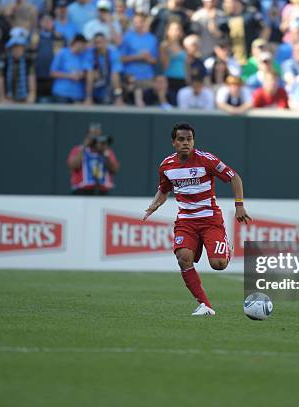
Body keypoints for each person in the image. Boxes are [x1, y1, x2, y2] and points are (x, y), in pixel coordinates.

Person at [143, 122, 251, 316]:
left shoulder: (206, 160)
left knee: (218, 264)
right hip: (186, 221)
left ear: (194, 141)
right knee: (183, 258)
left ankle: (226, 248)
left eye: (189, 139)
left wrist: (239, 205)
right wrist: (155, 204)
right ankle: (205, 305)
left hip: (210, 220)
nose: (186, 143)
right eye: (181, 139)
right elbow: (164, 189)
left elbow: (234, 177)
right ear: (173, 142)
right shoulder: (166, 165)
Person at [67, 124, 120, 195]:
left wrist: (104, 153)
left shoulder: (106, 152)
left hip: (102, 192)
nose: (96, 138)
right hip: (81, 192)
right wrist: (84, 147)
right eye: (93, 134)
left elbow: (114, 170)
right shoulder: (78, 150)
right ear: (87, 136)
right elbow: (73, 165)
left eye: (99, 135)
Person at [119, 12, 158, 88]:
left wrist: (147, 58)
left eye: (140, 22)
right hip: (130, 76)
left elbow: (155, 60)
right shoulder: (126, 37)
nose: (138, 25)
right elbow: (121, 58)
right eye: (135, 22)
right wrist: (138, 57)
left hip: (148, 76)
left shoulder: (152, 38)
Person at [85, 32, 123, 105]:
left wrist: (118, 97)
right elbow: (89, 75)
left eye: (100, 42)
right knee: (90, 74)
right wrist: (88, 98)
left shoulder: (113, 54)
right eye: (95, 43)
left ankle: (118, 98)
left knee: (115, 76)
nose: (98, 45)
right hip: (96, 87)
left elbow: (115, 76)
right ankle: (88, 98)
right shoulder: (90, 53)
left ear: (105, 42)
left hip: (109, 89)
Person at [0, 36, 36, 103]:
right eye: (15, 47)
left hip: (25, 97)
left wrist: (32, 94)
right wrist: (2, 97)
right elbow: (0, 78)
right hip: (8, 97)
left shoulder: (28, 59)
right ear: (10, 48)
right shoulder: (3, 59)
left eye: (20, 47)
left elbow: (31, 77)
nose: (18, 50)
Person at [50, 33, 88, 103]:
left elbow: (88, 72)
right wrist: (70, 76)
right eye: (83, 44)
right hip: (61, 94)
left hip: (78, 95)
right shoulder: (62, 53)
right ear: (77, 43)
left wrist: (82, 75)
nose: (84, 47)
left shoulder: (84, 55)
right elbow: (52, 73)